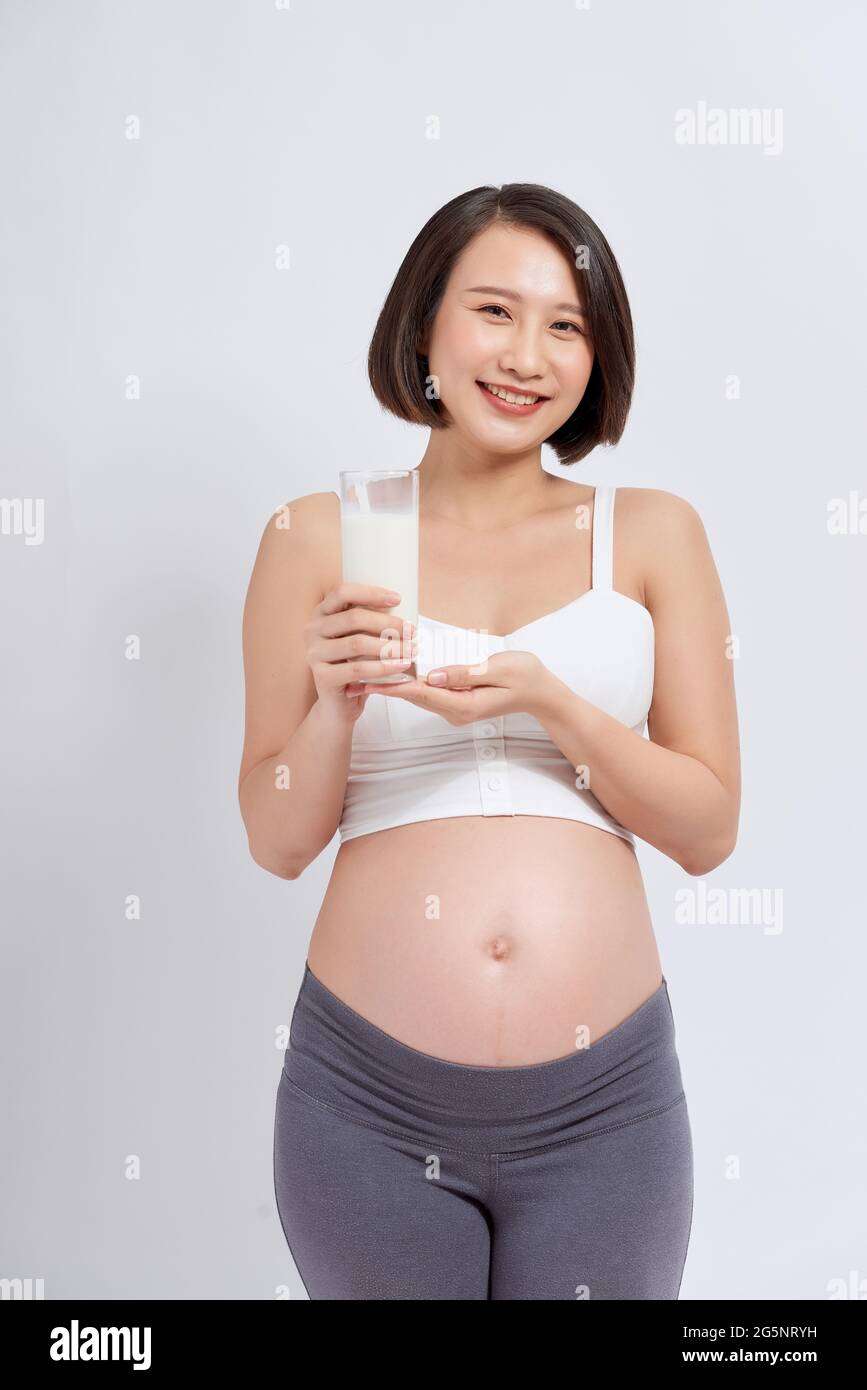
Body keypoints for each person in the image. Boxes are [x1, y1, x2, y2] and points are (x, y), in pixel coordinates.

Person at [238, 183, 741, 1300]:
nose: (528, 355)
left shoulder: (653, 532)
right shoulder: (315, 536)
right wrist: (334, 706)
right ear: (424, 326)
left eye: (566, 324)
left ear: (596, 356)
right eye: (495, 311)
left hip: (603, 1109)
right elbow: (277, 836)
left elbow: (709, 829)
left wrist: (554, 704)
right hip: (364, 1104)